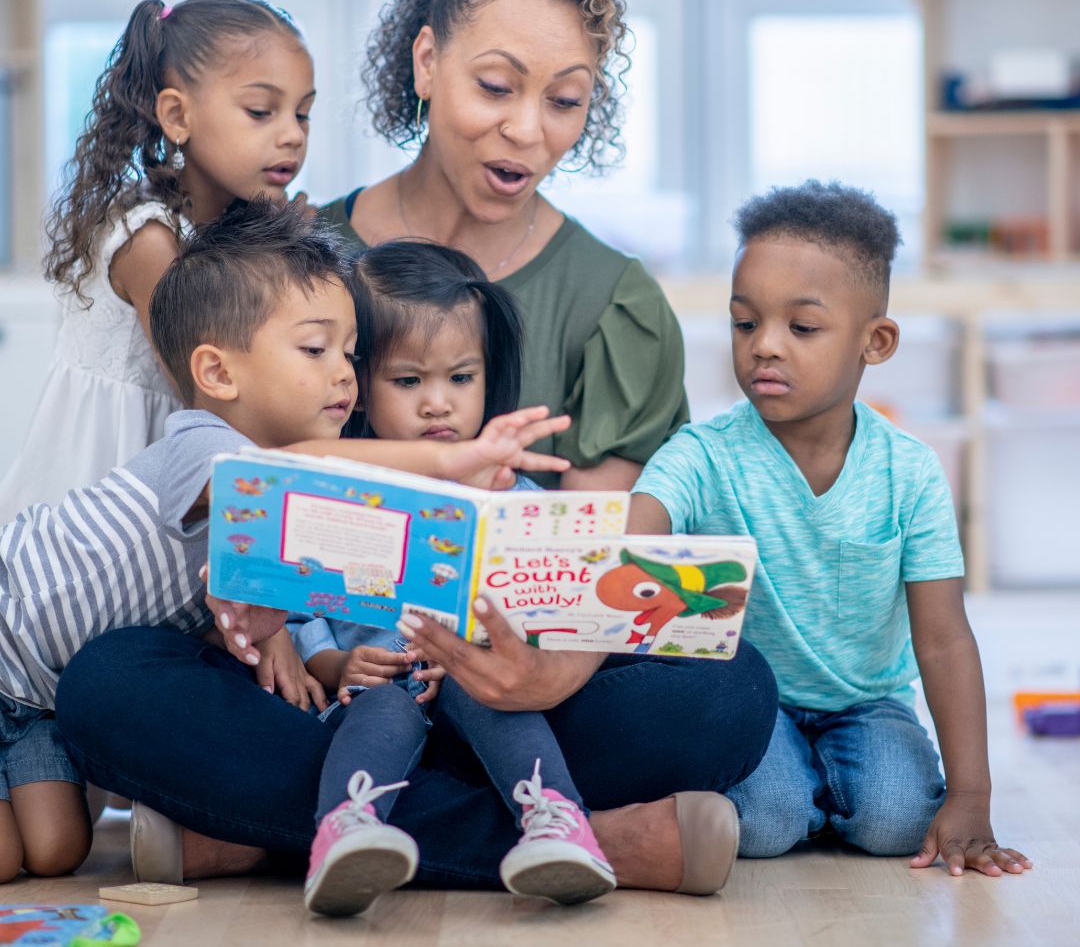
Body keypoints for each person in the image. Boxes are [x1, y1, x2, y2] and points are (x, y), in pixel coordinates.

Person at [0, 199, 569, 886]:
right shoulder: (199, 445)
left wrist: (278, 638)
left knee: (54, 851)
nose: (343, 374)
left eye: (351, 354)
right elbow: (282, 481)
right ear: (217, 374)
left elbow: (252, 584)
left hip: (34, 700)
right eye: (314, 349)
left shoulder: (280, 510)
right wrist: (453, 463)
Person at [628, 180, 1033, 878]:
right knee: (766, 824)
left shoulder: (910, 471)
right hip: (753, 703)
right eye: (744, 323)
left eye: (802, 328)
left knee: (899, 822)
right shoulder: (703, 453)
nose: (764, 348)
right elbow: (634, 536)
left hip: (867, 703)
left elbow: (942, 640)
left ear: (875, 342)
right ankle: (799, 793)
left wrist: (971, 794)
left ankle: (822, 791)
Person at [322, 0, 688, 490]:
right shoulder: (299, 261)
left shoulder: (619, 311)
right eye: (495, 86)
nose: (526, 129)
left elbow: (592, 559)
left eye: (565, 99)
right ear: (427, 63)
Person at [295, 240, 614, 916]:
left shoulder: (519, 496)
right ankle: (346, 832)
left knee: (497, 699)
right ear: (356, 383)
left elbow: (550, 610)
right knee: (379, 707)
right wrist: (336, 662)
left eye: (461, 379)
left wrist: (511, 652)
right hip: (388, 681)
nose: (438, 405)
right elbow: (299, 607)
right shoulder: (341, 491)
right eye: (408, 382)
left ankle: (558, 825)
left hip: (481, 685)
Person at [0, 0, 316, 520]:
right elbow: (214, 399)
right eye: (261, 111)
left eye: (303, 114)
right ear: (176, 115)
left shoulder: (231, 224)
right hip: (95, 513)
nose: (292, 135)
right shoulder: (150, 239)